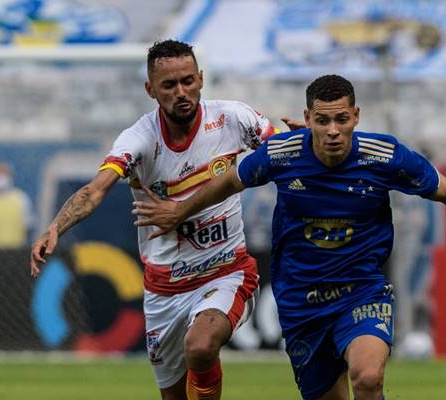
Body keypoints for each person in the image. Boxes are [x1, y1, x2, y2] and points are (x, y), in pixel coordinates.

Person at [133, 74, 446, 400]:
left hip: (361, 292)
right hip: (301, 303)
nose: (333, 131)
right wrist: (180, 211)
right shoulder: (282, 154)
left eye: (341, 119)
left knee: (367, 378)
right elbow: (229, 181)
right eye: (322, 121)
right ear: (307, 118)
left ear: (356, 116)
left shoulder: (383, 156)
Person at [30, 39, 284, 400]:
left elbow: (283, 153)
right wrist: (55, 227)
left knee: (201, 345)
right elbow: (96, 190)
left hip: (226, 272)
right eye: (169, 85)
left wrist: (306, 142)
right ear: (150, 89)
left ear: (200, 78)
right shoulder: (138, 140)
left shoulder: (233, 119)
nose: (181, 92)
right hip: (164, 291)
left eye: (188, 81)